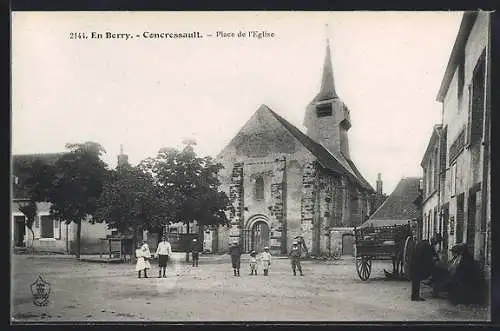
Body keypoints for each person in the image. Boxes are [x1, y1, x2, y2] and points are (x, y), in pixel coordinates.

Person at [409, 234, 441, 301]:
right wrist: (433, 261)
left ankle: (414, 296)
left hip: (417, 264)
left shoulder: (427, 244)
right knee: (416, 281)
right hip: (416, 264)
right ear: (433, 239)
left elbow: (432, 253)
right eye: (436, 242)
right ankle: (415, 297)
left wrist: (436, 258)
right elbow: (426, 257)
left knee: (416, 281)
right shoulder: (425, 245)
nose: (436, 244)